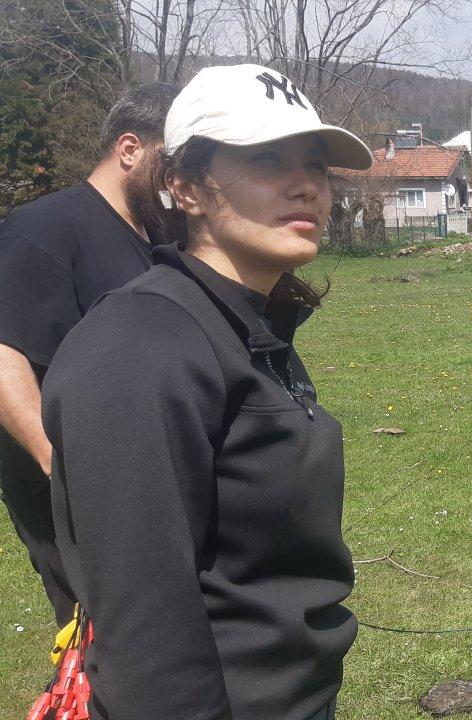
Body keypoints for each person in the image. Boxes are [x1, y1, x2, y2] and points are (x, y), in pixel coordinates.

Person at [42, 64, 373, 719]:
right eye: (267, 157)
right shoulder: (142, 343)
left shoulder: (246, 325)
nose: (305, 182)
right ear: (184, 186)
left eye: (315, 164)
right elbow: (146, 642)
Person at [0, 82, 178, 626]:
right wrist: (61, 466)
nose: (180, 180)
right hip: (78, 495)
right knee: (109, 641)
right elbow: (4, 354)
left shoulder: (155, 233)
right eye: (172, 163)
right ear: (130, 149)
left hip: (144, 476)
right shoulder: (46, 228)